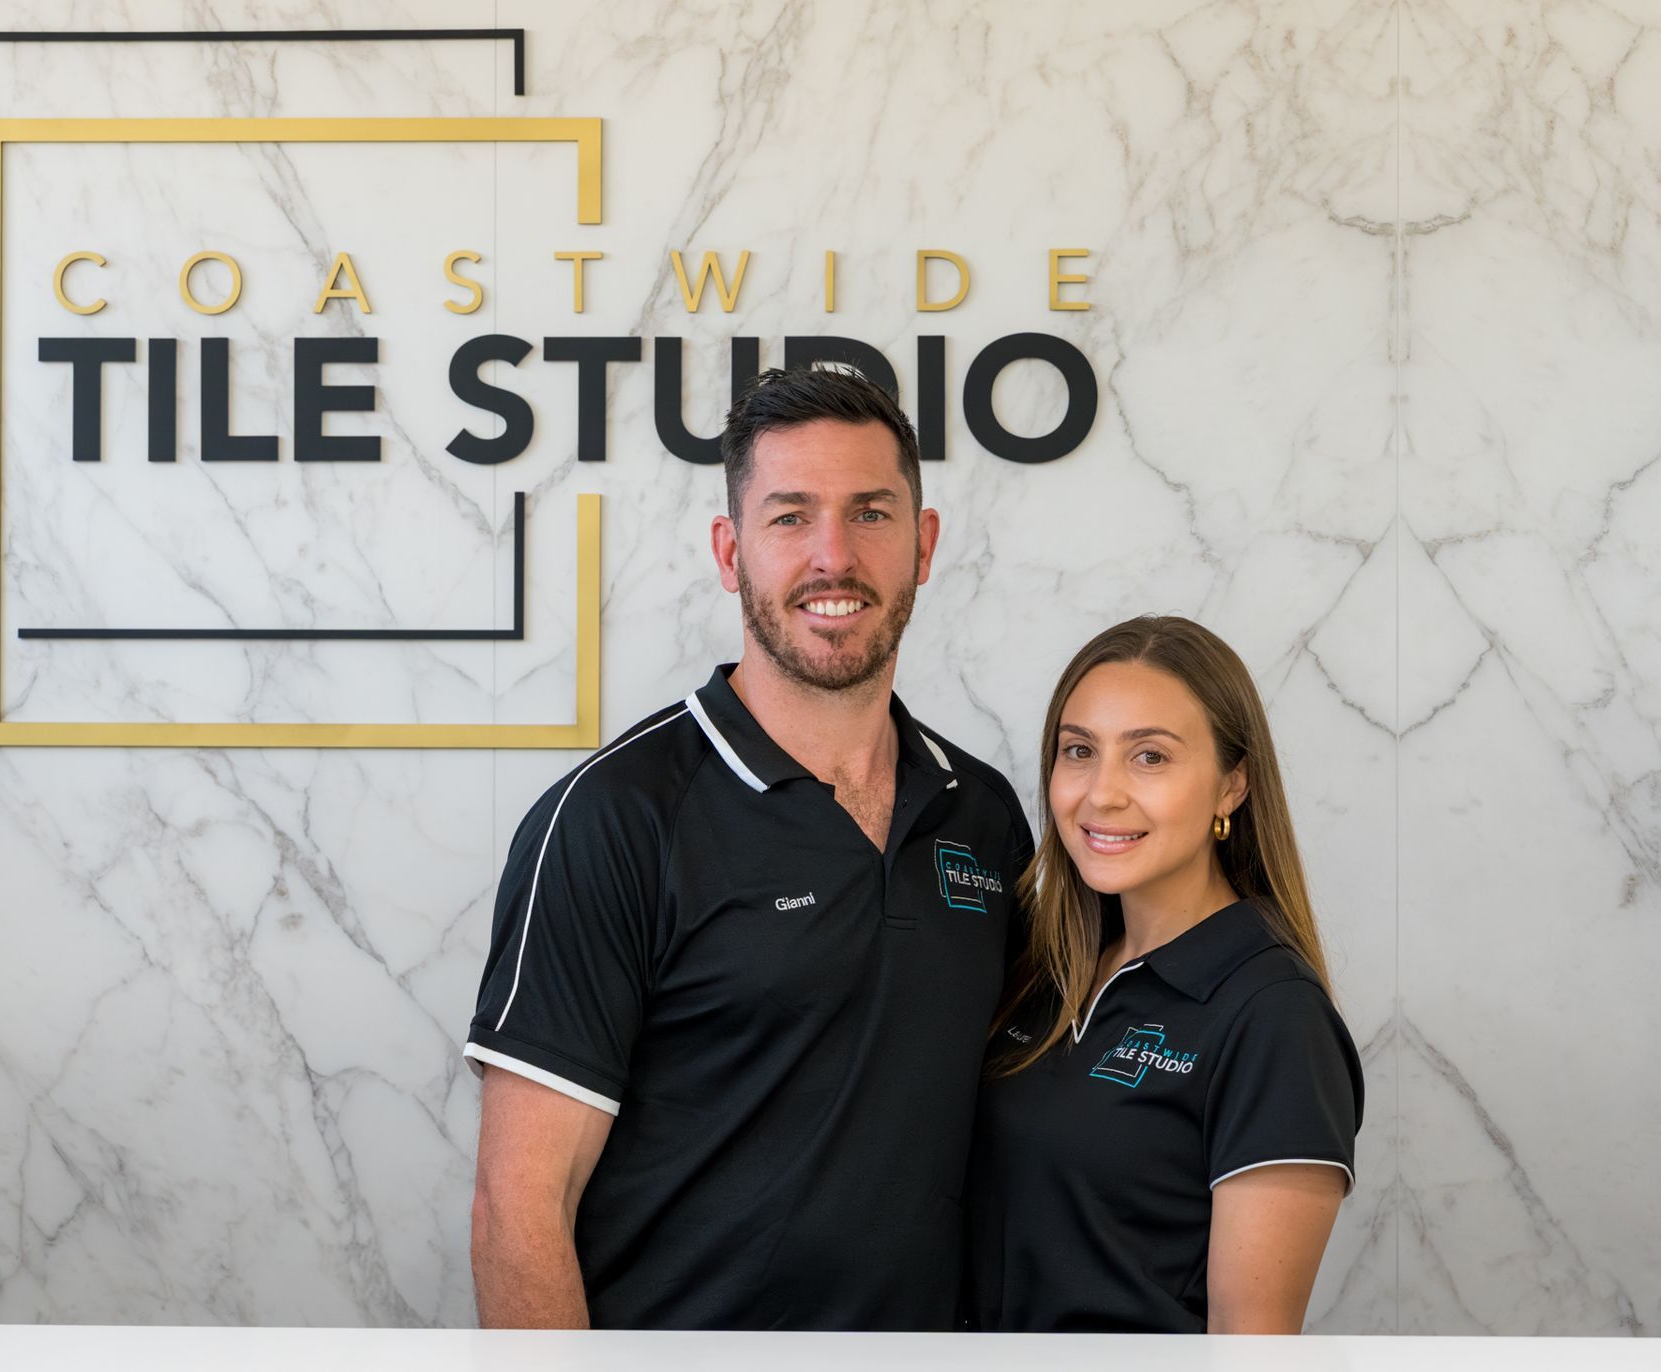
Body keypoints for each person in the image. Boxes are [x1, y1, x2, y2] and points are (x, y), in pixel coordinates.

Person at [466, 366, 1033, 1330]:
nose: (833, 556)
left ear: (924, 545)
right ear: (730, 552)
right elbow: (519, 1208)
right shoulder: (614, 819)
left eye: (871, 514)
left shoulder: (980, 814)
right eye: (789, 517)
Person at [967, 615, 1363, 1334]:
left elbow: (1253, 1345)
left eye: (1149, 757)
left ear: (1231, 787)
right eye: (1079, 750)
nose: (1102, 794)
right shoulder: (1044, 968)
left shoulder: (1274, 1017)